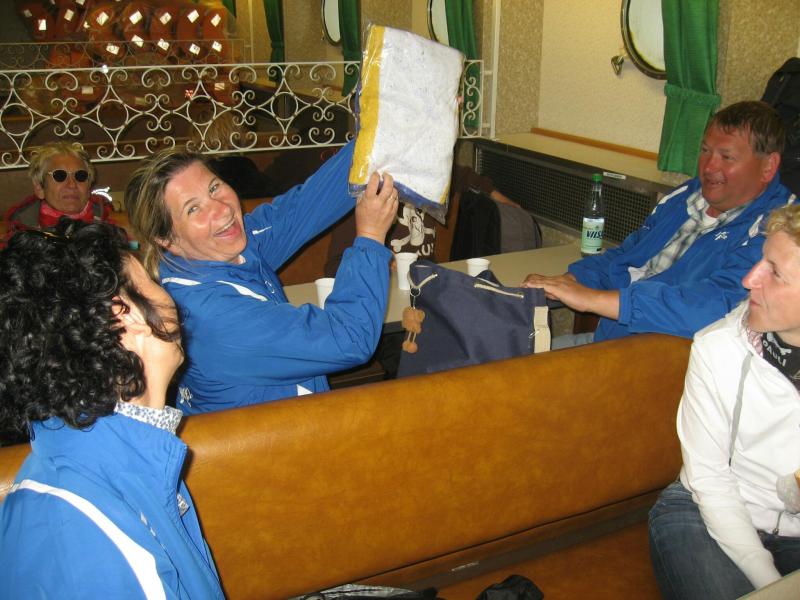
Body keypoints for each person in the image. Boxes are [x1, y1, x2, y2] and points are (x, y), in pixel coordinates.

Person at [0, 220, 224, 598]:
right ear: (126, 315)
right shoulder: (85, 528)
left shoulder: (137, 454)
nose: (169, 295)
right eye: (152, 281)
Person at [126, 141, 398, 414]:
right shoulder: (213, 316)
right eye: (193, 209)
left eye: (214, 188)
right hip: (275, 438)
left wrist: (375, 136)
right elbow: (350, 338)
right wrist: (371, 236)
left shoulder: (222, 247)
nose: (222, 210)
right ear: (165, 239)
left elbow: (305, 206)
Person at [523, 101, 793, 347]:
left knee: (516, 374)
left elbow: (716, 306)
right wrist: (570, 282)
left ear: (768, 166)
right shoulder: (685, 197)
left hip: (664, 364)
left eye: (727, 157)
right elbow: (626, 257)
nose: (709, 167)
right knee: (510, 353)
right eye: (705, 151)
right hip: (612, 342)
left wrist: (591, 299)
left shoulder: (780, 228)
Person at [648, 203, 800, 599]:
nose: (750, 279)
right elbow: (710, 480)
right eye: (760, 261)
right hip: (703, 510)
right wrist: (772, 587)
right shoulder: (717, 348)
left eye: (774, 273)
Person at [4, 141, 113, 239]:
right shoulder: (18, 236)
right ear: (39, 188)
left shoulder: (112, 229)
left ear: (89, 187)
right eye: (60, 176)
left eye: (80, 176)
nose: (72, 185)